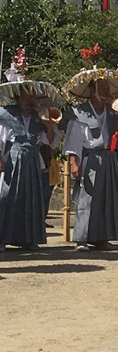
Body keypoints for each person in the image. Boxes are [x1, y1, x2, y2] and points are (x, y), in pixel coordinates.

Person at [63, 73, 118, 252]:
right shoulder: (80, 112)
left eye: (108, 89)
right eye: (103, 89)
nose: (107, 92)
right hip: (90, 157)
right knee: (87, 198)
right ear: (93, 90)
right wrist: (74, 163)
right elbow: (73, 140)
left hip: (108, 158)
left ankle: (101, 237)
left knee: (106, 198)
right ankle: (82, 238)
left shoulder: (112, 112)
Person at [0, 80, 58, 250]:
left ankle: (27, 239)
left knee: (31, 198)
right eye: (25, 95)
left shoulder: (38, 117)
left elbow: (50, 142)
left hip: (32, 158)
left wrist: (49, 126)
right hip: (12, 157)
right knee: (7, 196)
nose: (28, 99)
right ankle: (2, 238)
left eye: (31, 95)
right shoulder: (6, 114)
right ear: (18, 97)